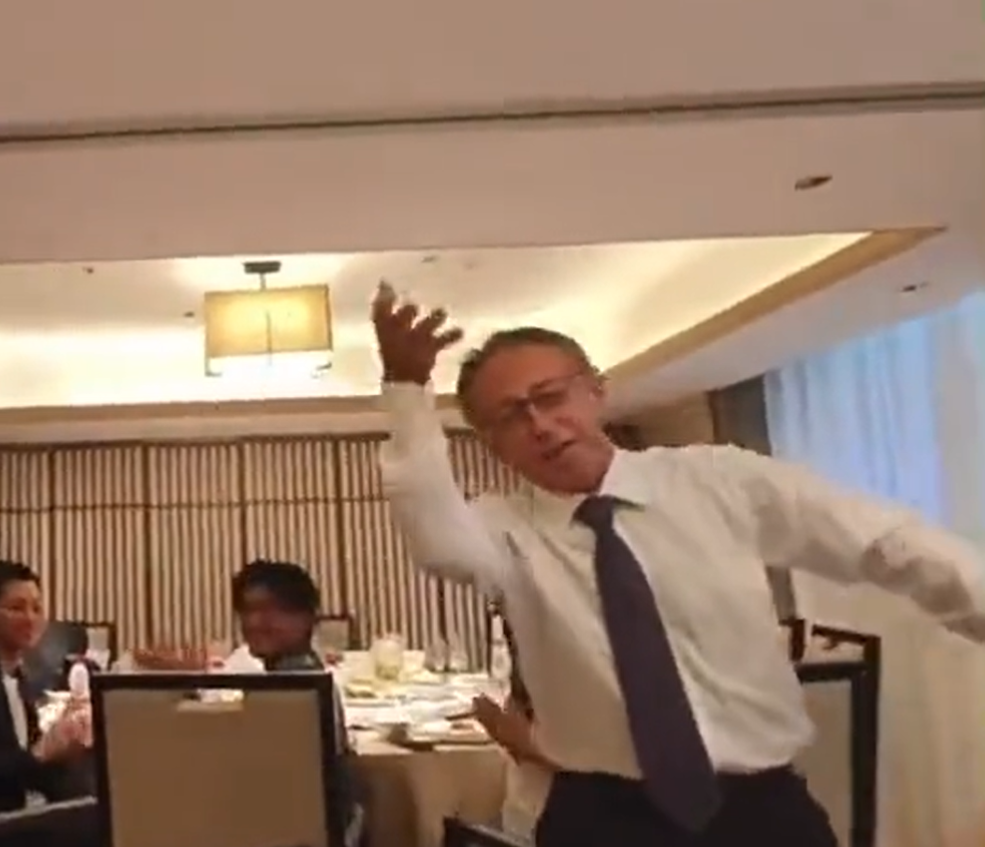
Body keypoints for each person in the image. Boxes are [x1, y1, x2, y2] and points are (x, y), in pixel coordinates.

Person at [370, 281, 985, 847]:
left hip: (761, 810)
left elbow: (884, 541)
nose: (541, 425)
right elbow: (437, 540)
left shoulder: (719, 480)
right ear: (491, 443)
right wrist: (405, 390)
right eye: (510, 417)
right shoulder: (502, 529)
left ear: (595, 389)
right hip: (601, 817)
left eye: (550, 397)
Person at [0, 560, 92, 813]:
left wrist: (67, 750)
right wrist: (41, 752)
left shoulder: (19, 679)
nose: (30, 618)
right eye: (17, 608)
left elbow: (32, 773)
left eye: (37, 608)